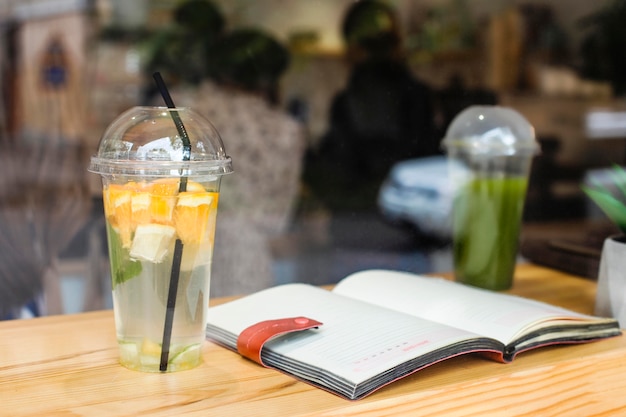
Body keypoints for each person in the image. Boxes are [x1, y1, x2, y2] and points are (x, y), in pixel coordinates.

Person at [173, 29, 306, 297]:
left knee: (179, 334)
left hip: (181, 243)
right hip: (247, 257)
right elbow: (278, 217)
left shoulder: (182, 111)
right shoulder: (285, 130)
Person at [306, 0, 437, 212]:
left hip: (356, 222)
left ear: (356, 48)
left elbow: (336, 172)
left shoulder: (347, 100)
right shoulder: (417, 94)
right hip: (408, 218)